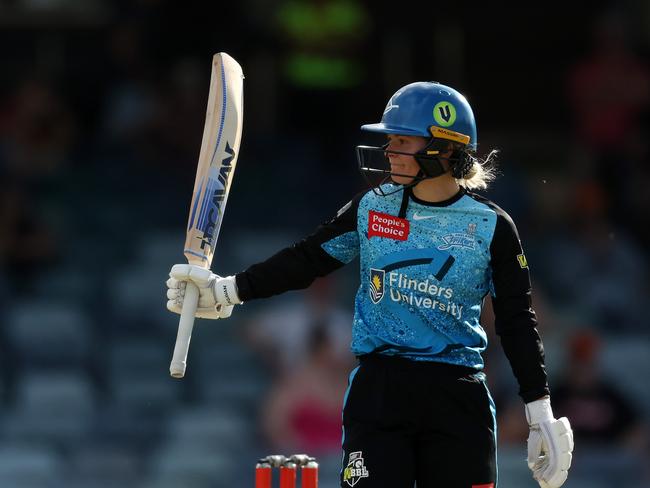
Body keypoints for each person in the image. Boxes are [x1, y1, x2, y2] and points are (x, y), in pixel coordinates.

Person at [166, 82, 574, 488]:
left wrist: (539, 409)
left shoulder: (493, 226)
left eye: (402, 140)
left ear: (446, 148)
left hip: (457, 395)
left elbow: (517, 320)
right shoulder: (372, 206)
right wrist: (228, 290)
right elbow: (308, 259)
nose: (389, 150)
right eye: (389, 139)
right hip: (380, 391)